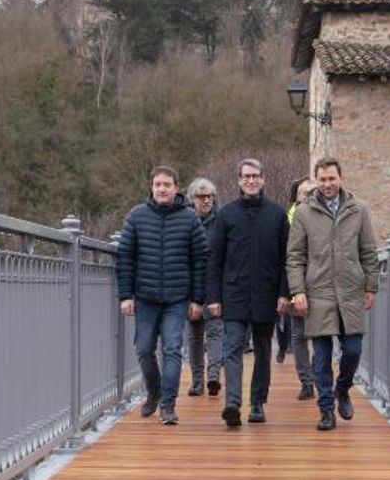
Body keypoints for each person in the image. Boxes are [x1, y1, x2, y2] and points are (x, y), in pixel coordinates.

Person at [286, 157, 378, 431]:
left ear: (341, 179)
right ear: (316, 181)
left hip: (351, 290)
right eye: (322, 179)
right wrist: (297, 291)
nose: (327, 184)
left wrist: (371, 286)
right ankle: (326, 409)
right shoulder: (303, 213)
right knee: (322, 356)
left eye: (331, 178)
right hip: (318, 292)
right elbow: (295, 257)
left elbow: (368, 251)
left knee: (353, 350)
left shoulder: (359, 210)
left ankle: (343, 389)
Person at [116, 165, 207, 425]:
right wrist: (126, 296)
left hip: (177, 299)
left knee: (172, 349)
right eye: (158, 184)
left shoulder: (190, 218)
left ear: (176, 188)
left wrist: (197, 299)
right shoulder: (136, 216)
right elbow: (125, 257)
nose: (162, 189)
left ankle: (168, 405)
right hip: (145, 297)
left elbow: (200, 261)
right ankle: (154, 391)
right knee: (144, 349)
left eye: (167, 184)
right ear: (151, 187)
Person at [207, 158, 290, 427]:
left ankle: (257, 403)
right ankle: (232, 403)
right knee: (232, 348)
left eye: (255, 176)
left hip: (267, 293)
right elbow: (215, 259)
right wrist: (214, 297)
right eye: (246, 176)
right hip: (234, 293)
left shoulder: (277, 214)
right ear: (239, 180)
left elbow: (286, 259)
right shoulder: (226, 214)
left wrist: (284, 293)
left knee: (263, 351)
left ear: (263, 179)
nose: (251, 180)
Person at [185, 177, 224, 397]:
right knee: (195, 334)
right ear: (193, 199)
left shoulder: (221, 220)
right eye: (201, 197)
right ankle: (197, 380)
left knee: (215, 331)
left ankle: (213, 377)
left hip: (214, 283)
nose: (206, 200)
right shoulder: (184, 220)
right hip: (191, 285)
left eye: (209, 196)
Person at [284, 177, 317, 400]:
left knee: (322, 335)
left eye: (312, 192)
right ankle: (306, 381)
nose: (308, 197)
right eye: (304, 193)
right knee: (299, 334)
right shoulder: (287, 220)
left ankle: (316, 374)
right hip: (295, 283)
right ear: (296, 197)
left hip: (320, 284)